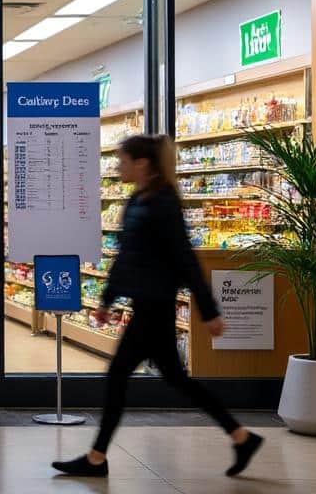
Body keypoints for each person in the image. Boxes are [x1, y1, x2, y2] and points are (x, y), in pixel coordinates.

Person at [53, 135, 262, 479]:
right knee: (176, 380)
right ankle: (241, 437)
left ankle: (96, 458)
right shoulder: (139, 199)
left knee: (119, 375)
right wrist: (107, 300)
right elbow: (126, 257)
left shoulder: (164, 203)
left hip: (156, 307)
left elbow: (185, 259)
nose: (118, 166)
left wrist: (209, 311)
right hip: (147, 306)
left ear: (142, 163)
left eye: (123, 160)